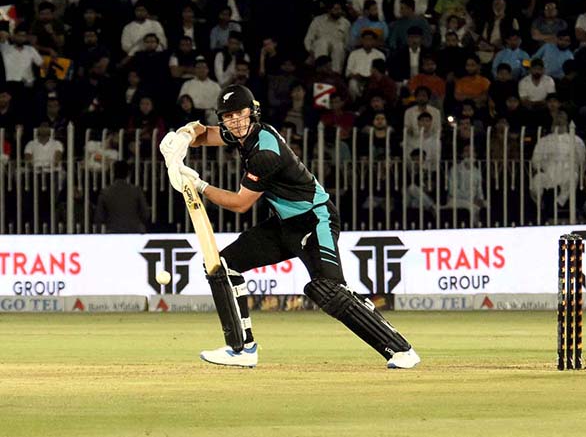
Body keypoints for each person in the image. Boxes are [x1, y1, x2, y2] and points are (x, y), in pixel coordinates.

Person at [158, 84, 419, 369]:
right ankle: (242, 349)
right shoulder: (240, 133)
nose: (234, 121)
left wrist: (199, 185)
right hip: (285, 224)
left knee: (328, 290)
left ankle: (400, 349)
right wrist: (183, 135)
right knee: (223, 267)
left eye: (240, 114)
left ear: (252, 112)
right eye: (228, 116)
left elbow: (240, 203)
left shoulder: (264, 151)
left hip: (315, 220)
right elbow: (204, 133)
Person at [94, 160, 148, 233]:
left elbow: (99, 217)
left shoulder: (105, 192)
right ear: (128, 173)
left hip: (113, 232)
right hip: (135, 232)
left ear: (113, 173)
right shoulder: (136, 191)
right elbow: (145, 214)